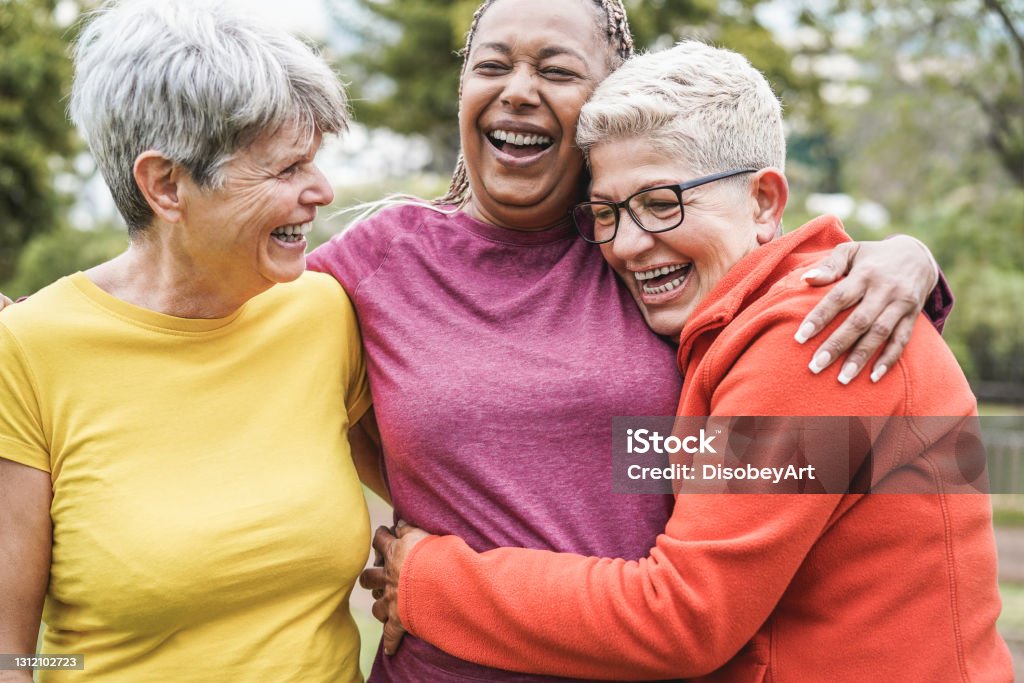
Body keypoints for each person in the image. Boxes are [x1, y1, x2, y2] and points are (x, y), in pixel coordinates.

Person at [306, 0, 949, 680]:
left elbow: (790, 305)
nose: (518, 89)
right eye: (491, 65)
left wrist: (907, 257)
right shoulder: (377, 262)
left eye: (556, 69)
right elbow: (247, 341)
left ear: (600, 99)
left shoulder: (647, 253)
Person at [0, 2, 380, 681]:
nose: (321, 191)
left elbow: (436, 494)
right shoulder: (28, 352)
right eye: (285, 169)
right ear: (166, 184)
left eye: (314, 162)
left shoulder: (324, 313)